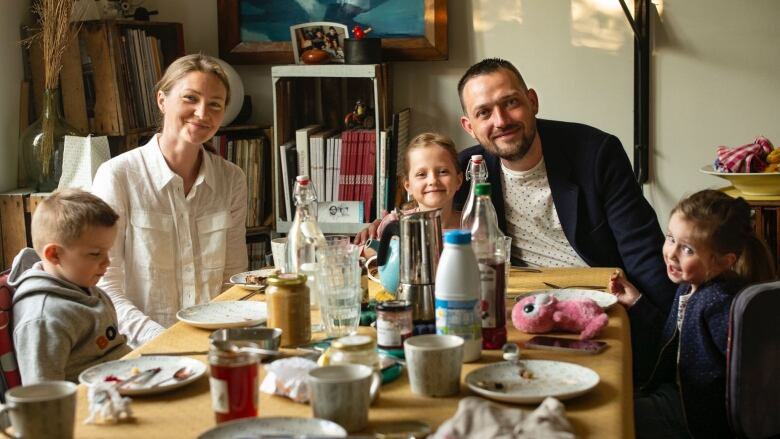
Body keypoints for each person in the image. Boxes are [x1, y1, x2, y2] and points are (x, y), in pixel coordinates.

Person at [454, 57, 675, 319]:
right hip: (519, 306)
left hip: (600, 303)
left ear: (532, 102)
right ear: (469, 127)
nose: (501, 121)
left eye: (510, 102)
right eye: (484, 113)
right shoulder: (466, 170)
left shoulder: (596, 154)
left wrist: (666, 330)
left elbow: (642, 249)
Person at [93, 54, 248, 348]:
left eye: (215, 104)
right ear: (162, 101)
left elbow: (233, 278)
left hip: (214, 345)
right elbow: (105, 284)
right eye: (191, 98)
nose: (202, 113)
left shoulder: (232, 180)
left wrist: (215, 343)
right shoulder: (118, 176)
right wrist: (165, 341)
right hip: (137, 350)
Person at [608, 190, 776, 438]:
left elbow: (751, 373)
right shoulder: (690, 285)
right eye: (670, 238)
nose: (671, 253)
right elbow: (676, 339)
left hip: (693, 417)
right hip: (674, 392)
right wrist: (637, 303)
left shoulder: (720, 303)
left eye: (687, 249)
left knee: (612, 420)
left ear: (724, 261)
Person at [8, 189, 131, 383]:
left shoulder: (86, 286)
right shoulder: (43, 318)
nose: (107, 262)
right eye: (95, 253)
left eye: (107, 252)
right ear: (55, 255)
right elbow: (45, 396)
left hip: (127, 381)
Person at [354, 132, 463, 244]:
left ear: (458, 180)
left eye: (443, 171)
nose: (433, 180)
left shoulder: (476, 225)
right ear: (408, 186)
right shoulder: (394, 224)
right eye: (421, 174)